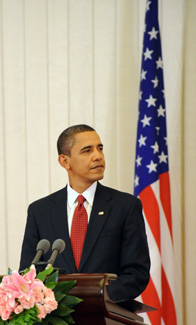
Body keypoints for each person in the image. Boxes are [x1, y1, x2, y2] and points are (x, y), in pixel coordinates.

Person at [19, 124, 150, 302]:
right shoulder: (40, 211)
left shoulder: (125, 206)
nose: (98, 156)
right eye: (87, 151)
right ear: (65, 161)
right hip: (56, 321)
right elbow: (28, 272)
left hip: (107, 318)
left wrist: (95, 298)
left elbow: (136, 273)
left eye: (100, 149)